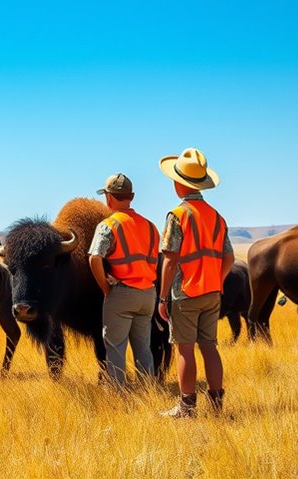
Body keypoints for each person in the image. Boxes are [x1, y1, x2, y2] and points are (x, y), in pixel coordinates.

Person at [157, 148, 234, 418]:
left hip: (185, 292)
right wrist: (216, 281)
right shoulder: (217, 217)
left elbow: (169, 260)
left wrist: (163, 297)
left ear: (180, 184)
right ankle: (216, 405)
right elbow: (230, 257)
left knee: (184, 348)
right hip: (212, 292)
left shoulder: (177, 216)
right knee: (210, 347)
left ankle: (186, 407)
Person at [88, 173, 160, 387]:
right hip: (148, 294)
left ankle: (118, 394)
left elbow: (94, 258)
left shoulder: (108, 225)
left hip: (122, 292)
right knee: (143, 348)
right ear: (132, 196)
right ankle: (148, 390)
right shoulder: (150, 226)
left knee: (116, 346)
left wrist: (106, 288)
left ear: (109, 197)